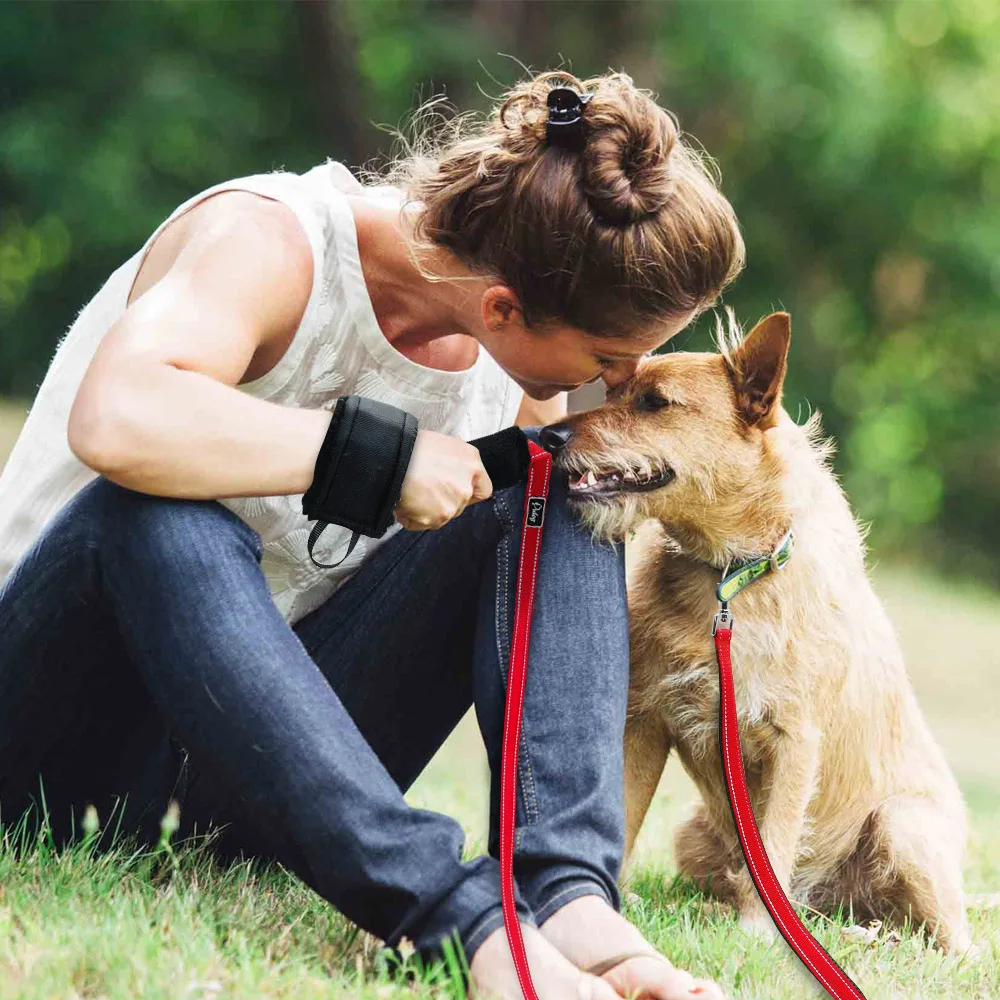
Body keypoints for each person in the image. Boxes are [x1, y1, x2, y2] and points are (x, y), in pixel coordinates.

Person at [0, 70, 744, 1000]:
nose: (617, 382)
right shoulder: (269, 241)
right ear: (504, 306)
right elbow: (116, 420)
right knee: (158, 510)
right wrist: (376, 460)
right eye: (608, 358)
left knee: (558, 478)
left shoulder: (514, 370)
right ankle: (459, 923)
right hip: (53, 737)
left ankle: (565, 897)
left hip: (252, 776)